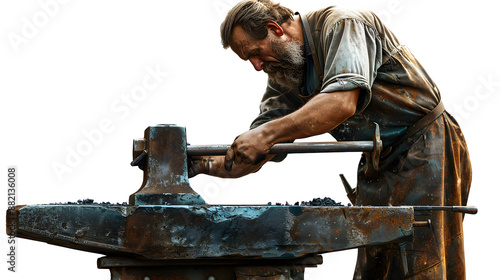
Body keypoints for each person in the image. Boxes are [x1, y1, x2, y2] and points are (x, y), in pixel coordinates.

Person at [189, 0, 472, 279]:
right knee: (376, 265)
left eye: (255, 53)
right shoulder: (285, 71)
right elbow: (258, 149)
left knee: (421, 261)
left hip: (426, 147)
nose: (257, 66)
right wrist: (199, 164)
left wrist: (264, 135)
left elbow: (342, 102)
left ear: (275, 29)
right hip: (378, 161)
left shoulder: (343, 24)